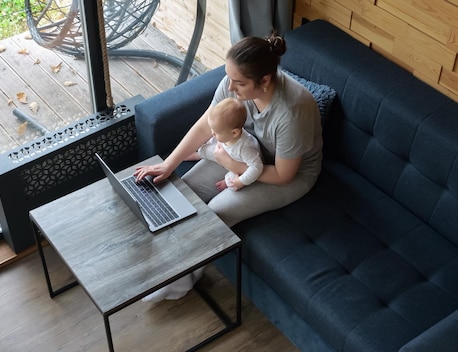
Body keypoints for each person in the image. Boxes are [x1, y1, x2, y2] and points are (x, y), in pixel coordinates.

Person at [135, 33, 323, 302]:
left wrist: (228, 163)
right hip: (244, 150)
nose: (230, 87)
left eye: (239, 83)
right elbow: (205, 125)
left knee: (215, 213)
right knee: (184, 192)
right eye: (229, 77)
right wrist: (168, 164)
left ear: (265, 80)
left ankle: (175, 284)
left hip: (286, 174)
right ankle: (157, 258)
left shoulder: (293, 111)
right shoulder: (234, 82)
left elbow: (284, 174)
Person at [187, 97, 263, 192]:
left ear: (234, 133)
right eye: (212, 129)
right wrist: (210, 141)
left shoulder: (246, 148)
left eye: (216, 132)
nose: (212, 133)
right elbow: (216, 140)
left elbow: (256, 168)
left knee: (232, 185)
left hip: (240, 165)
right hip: (227, 152)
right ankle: (197, 154)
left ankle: (226, 182)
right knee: (208, 147)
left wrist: (240, 182)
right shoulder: (227, 133)